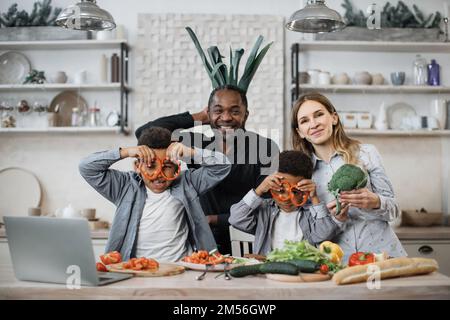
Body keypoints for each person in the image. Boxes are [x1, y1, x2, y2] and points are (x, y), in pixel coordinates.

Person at [135, 28, 279, 254]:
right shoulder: (195, 144)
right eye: (218, 111)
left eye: (234, 111)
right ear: (208, 114)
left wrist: (214, 219)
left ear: (246, 115)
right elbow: (144, 133)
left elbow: (269, 200)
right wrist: (197, 117)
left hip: (250, 241)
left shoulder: (266, 148)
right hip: (202, 244)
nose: (226, 117)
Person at [79, 127, 231, 262]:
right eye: (151, 166)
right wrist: (125, 152)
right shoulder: (124, 186)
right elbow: (86, 167)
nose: (159, 175)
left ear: (177, 166)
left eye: (166, 167)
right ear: (137, 166)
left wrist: (190, 152)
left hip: (182, 269)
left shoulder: (187, 182)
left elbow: (223, 166)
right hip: (137, 271)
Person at [290, 92, 406, 262]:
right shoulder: (302, 175)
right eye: (304, 120)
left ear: (334, 118)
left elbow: (394, 210)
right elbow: (312, 233)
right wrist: (334, 219)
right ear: (300, 132)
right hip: (337, 262)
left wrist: (375, 201)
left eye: (319, 114)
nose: (313, 124)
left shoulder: (367, 153)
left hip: (383, 255)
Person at [229, 150, 342, 255]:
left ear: (305, 191)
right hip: (267, 270)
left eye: (295, 192)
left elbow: (324, 234)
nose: (287, 198)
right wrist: (259, 190)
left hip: (301, 271)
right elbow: (236, 218)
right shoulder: (265, 210)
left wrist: (314, 198)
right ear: (271, 186)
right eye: (281, 190)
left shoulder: (311, 212)